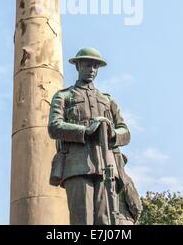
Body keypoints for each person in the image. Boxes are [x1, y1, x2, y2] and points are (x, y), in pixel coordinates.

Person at [48, 47, 141, 225]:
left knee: (105, 221)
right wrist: (86, 130)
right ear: (77, 66)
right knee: (82, 220)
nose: (91, 70)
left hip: (107, 167)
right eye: (87, 65)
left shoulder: (107, 99)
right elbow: (54, 127)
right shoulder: (64, 96)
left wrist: (112, 132)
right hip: (77, 166)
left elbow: (125, 131)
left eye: (95, 66)